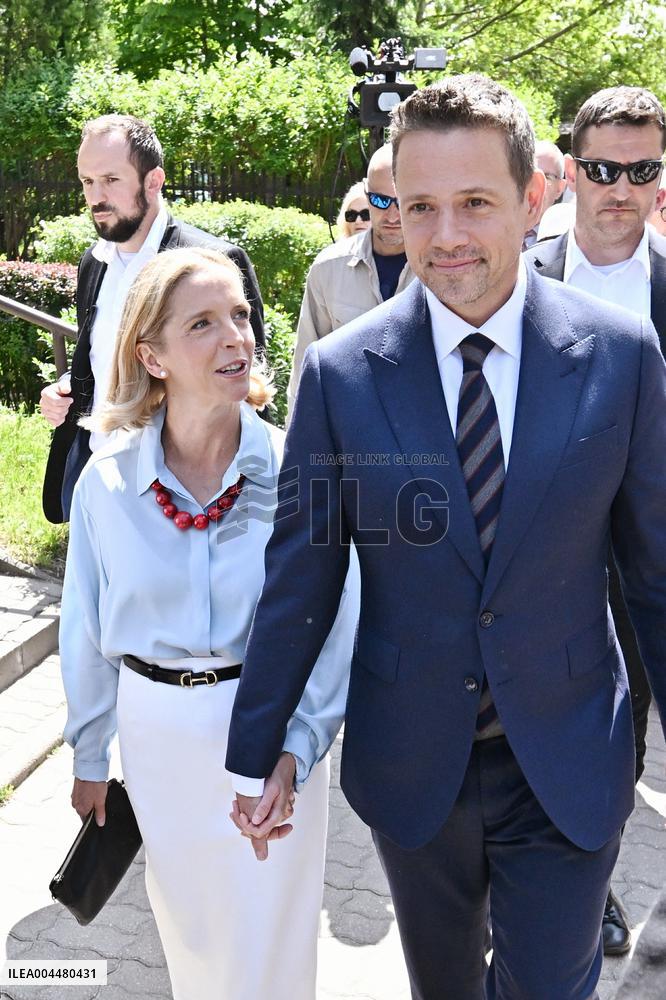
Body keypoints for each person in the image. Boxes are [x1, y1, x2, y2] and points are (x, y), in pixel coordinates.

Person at [226, 74, 666, 1000]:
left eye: (475, 202)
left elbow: (655, 570)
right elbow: (302, 569)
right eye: (419, 207)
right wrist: (261, 743)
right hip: (413, 759)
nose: (447, 235)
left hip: (570, 752)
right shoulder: (343, 375)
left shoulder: (621, 358)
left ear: (533, 199)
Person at [58, 247, 359, 1000]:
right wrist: (90, 752)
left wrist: (297, 747)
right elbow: (85, 629)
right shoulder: (108, 482)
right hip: (155, 735)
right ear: (151, 355)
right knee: (190, 933)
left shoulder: (299, 469)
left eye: (242, 316)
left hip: (269, 729)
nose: (237, 338)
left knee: (272, 938)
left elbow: (337, 624)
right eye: (203, 323)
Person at [524, 85, 666, 955]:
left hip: (649, 560)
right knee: (546, 727)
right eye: (605, 168)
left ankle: (597, 868)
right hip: (543, 555)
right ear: (573, 170)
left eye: (641, 169)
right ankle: (581, 885)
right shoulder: (523, 271)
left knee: (628, 731)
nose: (621, 186)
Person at [40, 114, 265, 525]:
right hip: (98, 477)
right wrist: (68, 391)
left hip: (181, 488)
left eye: (110, 179)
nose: (95, 197)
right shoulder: (95, 262)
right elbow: (103, 357)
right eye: (87, 181)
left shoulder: (212, 263)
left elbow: (246, 383)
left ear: (153, 180)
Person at [286, 143, 414, 415]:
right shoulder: (329, 268)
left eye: (402, 201)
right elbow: (305, 369)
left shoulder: (441, 267)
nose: (392, 215)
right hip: (347, 426)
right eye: (380, 201)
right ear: (366, 194)